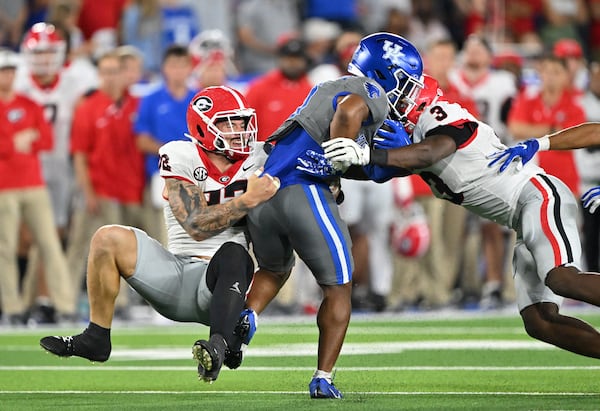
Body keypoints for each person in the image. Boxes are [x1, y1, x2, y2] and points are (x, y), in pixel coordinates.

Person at [314, 75, 600, 362]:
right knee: (540, 321)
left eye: (403, 97)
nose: (396, 105)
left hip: (538, 196)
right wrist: (330, 165)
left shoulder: (440, 115)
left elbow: (430, 152)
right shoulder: (415, 137)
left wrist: (368, 154)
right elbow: (384, 169)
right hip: (522, 215)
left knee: (562, 278)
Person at [39, 86, 280, 384]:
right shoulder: (180, 153)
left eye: (242, 123)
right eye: (227, 123)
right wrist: (247, 199)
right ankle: (96, 336)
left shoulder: (263, 156)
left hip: (223, 287)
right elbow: (196, 225)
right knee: (107, 236)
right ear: (203, 128)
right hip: (175, 275)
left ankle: (219, 345)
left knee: (234, 253)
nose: (239, 131)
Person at [244, 32, 424, 399]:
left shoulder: (326, 87)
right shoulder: (369, 92)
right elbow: (349, 112)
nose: (408, 94)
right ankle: (323, 377)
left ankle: (245, 317)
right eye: (405, 83)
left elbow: (362, 166)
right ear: (387, 73)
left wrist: (382, 163)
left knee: (274, 270)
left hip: (264, 192)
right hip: (304, 189)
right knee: (339, 286)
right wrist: (342, 150)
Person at [0, 48, 73, 325]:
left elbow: (46, 140)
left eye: (10, 71)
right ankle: (11, 307)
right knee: (5, 248)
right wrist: (15, 142)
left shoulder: (29, 104)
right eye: (2, 72)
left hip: (33, 182)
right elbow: (28, 140)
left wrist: (15, 142)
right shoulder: (25, 106)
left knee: (50, 243)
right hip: (4, 185)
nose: (6, 77)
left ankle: (64, 303)